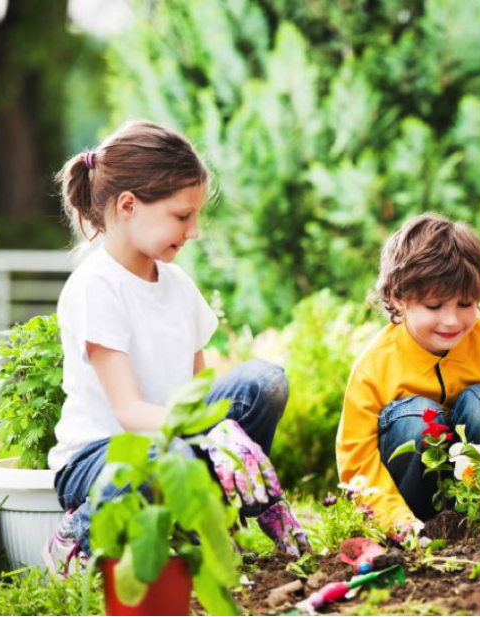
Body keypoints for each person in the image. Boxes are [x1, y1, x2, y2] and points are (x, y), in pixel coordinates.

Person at [46, 121, 307, 573]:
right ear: (128, 205)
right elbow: (129, 411)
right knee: (172, 455)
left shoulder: (178, 284)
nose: (194, 231)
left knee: (265, 382)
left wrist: (222, 432)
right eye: (182, 216)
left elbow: (199, 387)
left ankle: (216, 511)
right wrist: (210, 431)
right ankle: (79, 533)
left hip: (174, 443)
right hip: (100, 457)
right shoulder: (97, 285)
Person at [337, 213, 480, 531]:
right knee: (416, 417)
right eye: (434, 307)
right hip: (411, 516)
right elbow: (357, 462)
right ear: (398, 299)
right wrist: (398, 522)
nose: (452, 321)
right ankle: (423, 529)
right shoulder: (374, 367)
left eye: (465, 303)